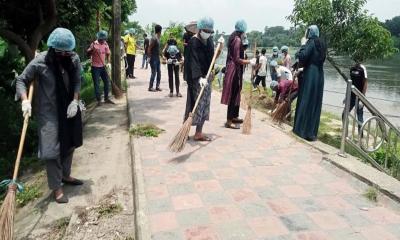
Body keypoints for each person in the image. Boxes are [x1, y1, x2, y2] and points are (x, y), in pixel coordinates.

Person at [16, 28, 84, 204]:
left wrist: (75, 101)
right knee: (51, 150)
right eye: (61, 52)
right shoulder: (40, 62)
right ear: (53, 48)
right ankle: (57, 187)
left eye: (68, 51)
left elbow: (77, 81)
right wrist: (25, 101)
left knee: (71, 143)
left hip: (69, 107)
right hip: (49, 112)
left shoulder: (73, 59)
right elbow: (21, 80)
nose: (65, 54)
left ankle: (66, 175)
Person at [184, 17, 224, 141]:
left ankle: (199, 132)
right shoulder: (193, 42)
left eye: (210, 31)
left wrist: (220, 47)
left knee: (205, 104)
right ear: (200, 29)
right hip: (196, 79)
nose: (208, 33)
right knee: (194, 104)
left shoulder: (210, 41)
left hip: (207, 77)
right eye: (206, 30)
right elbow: (193, 62)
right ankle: (185, 129)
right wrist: (199, 78)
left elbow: (212, 59)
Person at [293, 25, 326, 141]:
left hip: (310, 75)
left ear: (310, 32)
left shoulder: (311, 42)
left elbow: (302, 57)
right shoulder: (322, 43)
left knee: (306, 100)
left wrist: (303, 44)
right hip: (319, 75)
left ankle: (301, 131)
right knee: (315, 103)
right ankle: (311, 132)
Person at [221, 19, 251, 129]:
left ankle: (234, 116)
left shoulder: (234, 37)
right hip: (233, 71)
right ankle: (229, 121)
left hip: (235, 70)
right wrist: (249, 62)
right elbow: (237, 59)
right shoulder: (237, 40)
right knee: (233, 95)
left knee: (236, 93)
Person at [87, 30, 114, 105]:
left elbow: (108, 53)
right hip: (95, 67)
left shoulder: (105, 43)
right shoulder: (94, 44)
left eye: (104, 38)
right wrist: (92, 50)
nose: (103, 40)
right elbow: (88, 54)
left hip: (103, 66)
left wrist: (108, 62)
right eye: (102, 39)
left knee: (107, 82)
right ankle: (99, 100)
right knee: (97, 84)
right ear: (99, 38)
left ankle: (106, 98)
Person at [342, 61, 368, 130]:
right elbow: (349, 83)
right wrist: (346, 96)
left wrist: (362, 99)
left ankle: (360, 136)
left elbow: (365, 83)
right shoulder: (352, 68)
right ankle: (345, 131)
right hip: (351, 96)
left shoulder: (362, 68)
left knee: (359, 117)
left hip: (359, 97)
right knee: (344, 114)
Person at [147, 24, 163, 91]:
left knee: (159, 72)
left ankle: (157, 86)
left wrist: (162, 56)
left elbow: (157, 49)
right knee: (154, 72)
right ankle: (150, 87)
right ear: (160, 31)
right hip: (153, 58)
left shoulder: (158, 38)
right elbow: (149, 48)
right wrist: (149, 57)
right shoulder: (154, 38)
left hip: (157, 58)